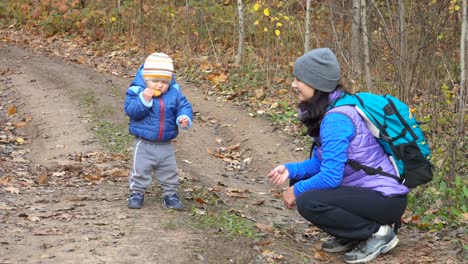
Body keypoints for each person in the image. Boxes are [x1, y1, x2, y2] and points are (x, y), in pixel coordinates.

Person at [267, 48, 409, 263]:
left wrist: (296, 190)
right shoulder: (331, 108)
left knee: (307, 200)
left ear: (316, 83)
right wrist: (290, 170)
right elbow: (320, 163)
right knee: (301, 180)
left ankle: (377, 233)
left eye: (299, 79)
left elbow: (331, 176)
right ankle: (350, 234)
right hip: (368, 193)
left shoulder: (336, 119)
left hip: (384, 199)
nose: (293, 84)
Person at [124, 52, 193, 210]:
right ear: (146, 78)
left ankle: (170, 194)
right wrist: (144, 100)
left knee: (169, 170)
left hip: (165, 143)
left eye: (164, 82)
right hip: (144, 142)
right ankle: (137, 192)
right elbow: (131, 110)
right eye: (154, 81)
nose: (159, 85)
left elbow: (184, 106)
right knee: (140, 169)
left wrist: (183, 117)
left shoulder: (174, 93)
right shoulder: (137, 91)